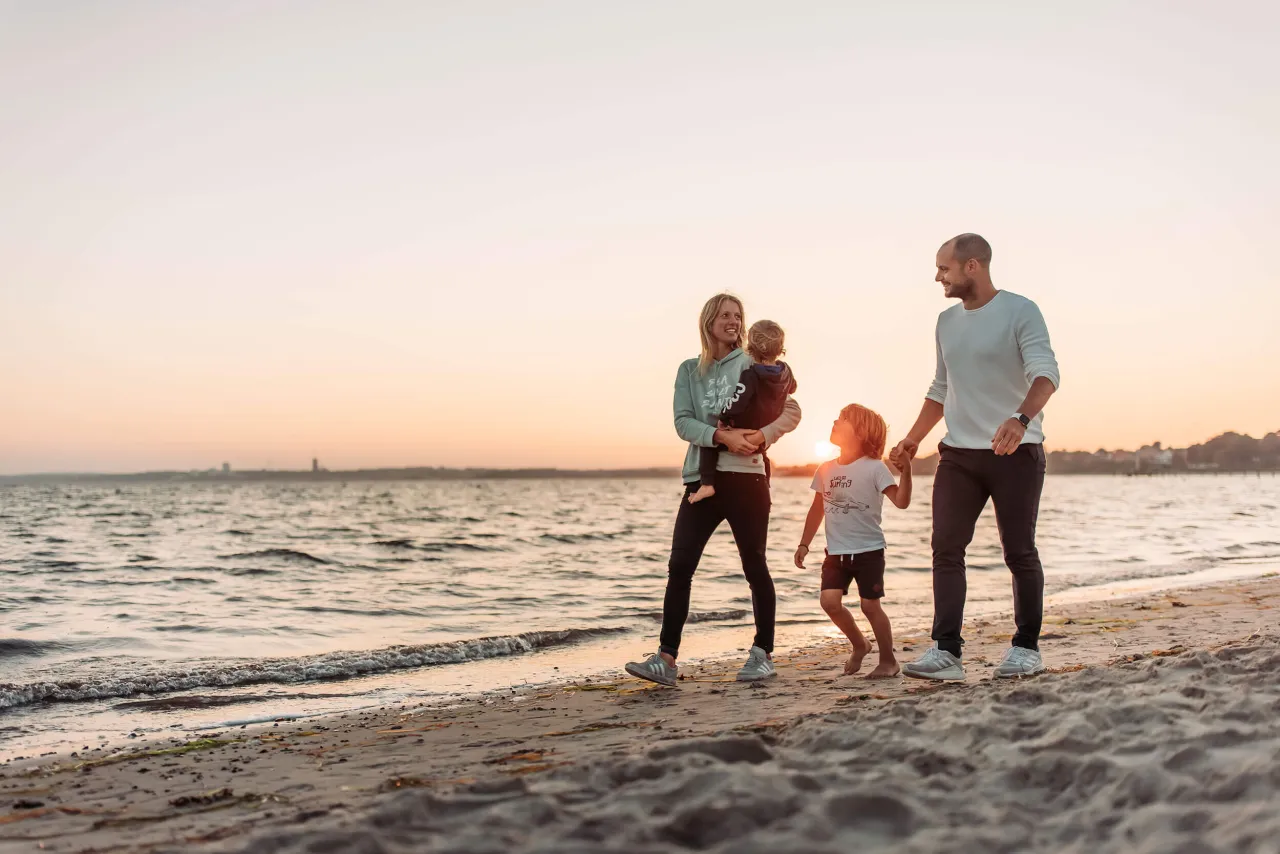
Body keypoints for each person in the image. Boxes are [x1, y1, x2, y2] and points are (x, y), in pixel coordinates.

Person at [889, 233, 1060, 681]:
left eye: (944, 268)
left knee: (1019, 551)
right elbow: (940, 388)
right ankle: (947, 652)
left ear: (972, 266)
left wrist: (1020, 419)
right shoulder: (946, 321)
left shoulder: (1021, 310)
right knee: (946, 549)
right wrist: (912, 440)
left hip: (1016, 452)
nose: (937, 277)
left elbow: (1046, 375)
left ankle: (1026, 648)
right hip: (959, 455)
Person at [625, 294, 801, 686]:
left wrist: (761, 436)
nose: (733, 321)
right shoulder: (690, 370)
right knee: (680, 566)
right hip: (700, 479)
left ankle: (762, 654)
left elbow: (792, 410)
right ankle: (666, 659)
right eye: (724, 315)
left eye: (737, 315)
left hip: (748, 478)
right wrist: (721, 436)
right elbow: (683, 422)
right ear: (708, 321)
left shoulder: (752, 362)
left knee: (754, 566)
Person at [795, 404, 911, 679]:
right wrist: (804, 544)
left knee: (870, 606)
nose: (836, 421)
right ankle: (860, 644)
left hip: (869, 551)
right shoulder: (825, 469)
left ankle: (888, 661)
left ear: (861, 432)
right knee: (829, 602)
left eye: (843, 419)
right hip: (836, 553)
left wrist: (907, 470)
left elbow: (901, 501)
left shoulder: (875, 468)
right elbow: (817, 509)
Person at [688, 319, 797, 504]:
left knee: (710, 439)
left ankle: (707, 484)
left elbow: (738, 401)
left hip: (744, 425)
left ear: (751, 347)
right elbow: (793, 388)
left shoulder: (751, 374)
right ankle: (766, 486)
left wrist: (724, 417)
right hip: (763, 428)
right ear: (780, 348)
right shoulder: (786, 371)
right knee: (762, 455)